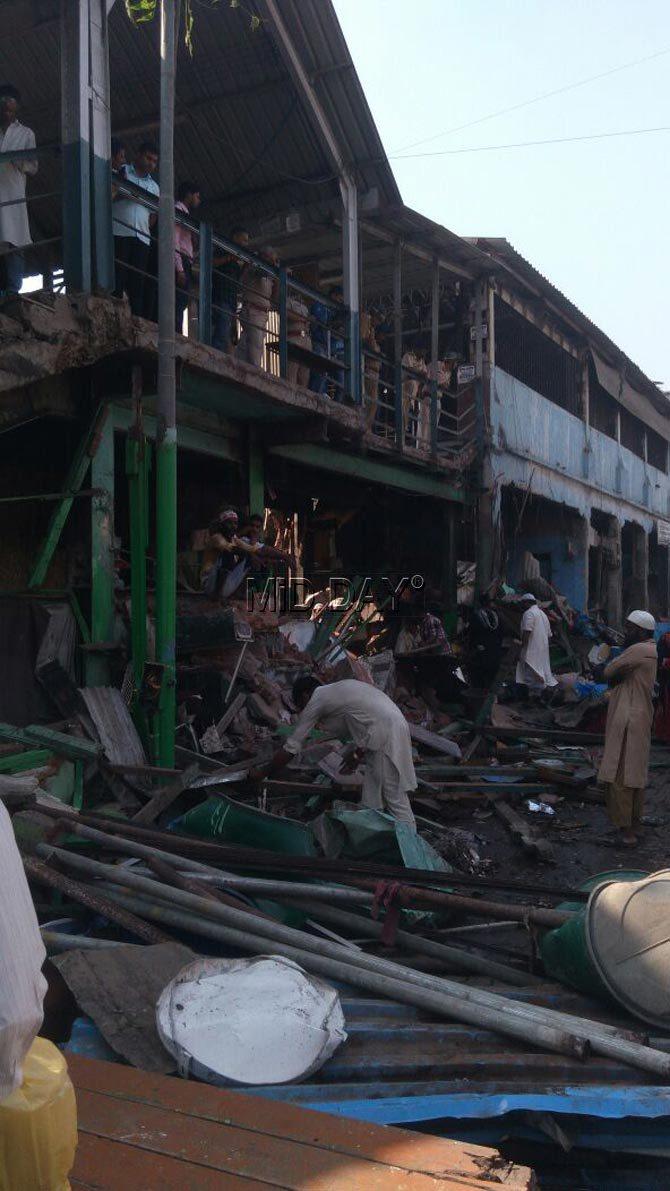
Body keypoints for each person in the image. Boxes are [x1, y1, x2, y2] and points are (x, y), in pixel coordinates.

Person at [255, 675, 417, 829]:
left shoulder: (317, 699)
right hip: (393, 725)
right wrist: (356, 752)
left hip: (385, 733)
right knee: (372, 796)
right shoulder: (337, 690)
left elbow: (291, 747)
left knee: (393, 795)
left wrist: (261, 773)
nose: (304, 710)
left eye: (301, 705)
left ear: (305, 696)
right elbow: (362, 719)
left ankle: (413, 848)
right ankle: (377, 845)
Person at [598, 610, 657, 846]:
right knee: (635, 773)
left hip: (628, 718)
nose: (626, 632)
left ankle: (626, 832)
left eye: (630, 628)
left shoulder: (637, 650)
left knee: (620, 774)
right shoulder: (652, 650)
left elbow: (608, 672)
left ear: (641, 631)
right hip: (640, 716)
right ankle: (635, 825)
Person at [112, 140, 159, 317]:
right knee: (118, 275)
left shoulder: (155, 187)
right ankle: (114, 314)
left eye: (155, 161)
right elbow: (110, 194)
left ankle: (136, 320)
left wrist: (144, 227)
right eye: (148, 158)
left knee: (137, 281)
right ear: (138, 155)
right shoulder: (123, 172)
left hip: (142, 238)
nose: (151, 163)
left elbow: (154, 216)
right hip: (119, 231)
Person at [0, 85, 37, 296]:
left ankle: (13, 291)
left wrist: (19, 161)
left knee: (14, 240)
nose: (6, 113)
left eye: (10, 110)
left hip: (13, 195)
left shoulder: (25, 133)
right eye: (3, 109)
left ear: (17, 109)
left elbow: (33, 166)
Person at [200, 508, 261, 600]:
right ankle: (217, 596)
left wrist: (254, 538)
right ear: (222, 525)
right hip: (209, 584)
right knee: (228, 553)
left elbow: (252, 549)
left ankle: (238, 594)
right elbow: (226, 547)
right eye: (230, 523)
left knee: (249, 558)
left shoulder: (233, 539)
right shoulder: (216, 537)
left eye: (235, 523)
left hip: (225, 588)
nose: (233, 526)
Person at [238, 246, 278, 369]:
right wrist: (276, 270)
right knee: (256, 343)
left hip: (262, 313)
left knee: (247, 342)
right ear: (264, 257)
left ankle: (240, 365)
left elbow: (274, 297)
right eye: (272, 260)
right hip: (253, 310)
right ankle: (255, 370)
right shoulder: (254, 266)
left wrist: (277, 280)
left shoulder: (269, 274)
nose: (273, 263)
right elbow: (261, 273)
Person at [212, 226, 249, 352]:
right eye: (243, 240)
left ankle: (218, 355)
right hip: (220, 296)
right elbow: (212, 263)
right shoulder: (222, 248)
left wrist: (245, 267)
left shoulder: (237, 261)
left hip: (231, 300)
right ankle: (215, 356)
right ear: (235, 237)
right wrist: (229, 257)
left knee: (226, 331)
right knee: (221, 331)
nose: (245, 243)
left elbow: (238, 281)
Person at [515, 593, 557, 695]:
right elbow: (549, 635)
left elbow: (527, 632)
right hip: (542, 650)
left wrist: (522, 648)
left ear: (527, 603)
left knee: (530, 676)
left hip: (531, 650)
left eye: (523, 603)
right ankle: (540, 696)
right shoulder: (543, 614)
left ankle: (535, 698)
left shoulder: (529, 613)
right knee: (539, 674)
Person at [174, 180, 201, 334]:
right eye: (197, 196)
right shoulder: (178, 210)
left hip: (185, 260)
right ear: (189, 195)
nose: (198, 200)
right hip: (181, 260)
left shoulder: (186, 213)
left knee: (182, 300)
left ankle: (176, 330)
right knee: (179, 299)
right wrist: (180, 268)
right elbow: (174, 239)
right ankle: (175, 332)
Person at [469, 592, 505, 687]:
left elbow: (472, 633)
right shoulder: (497, 615)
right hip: (495, 651)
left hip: (482, 651)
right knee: (491, 679)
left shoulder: (476, 615)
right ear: (489, 603)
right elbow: (502, 633)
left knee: (479, 679)